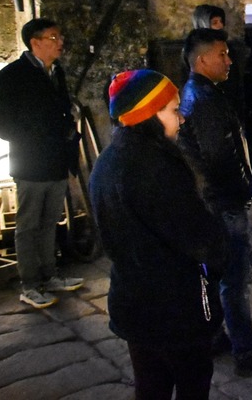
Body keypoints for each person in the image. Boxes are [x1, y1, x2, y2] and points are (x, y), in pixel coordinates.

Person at [89, 70, 226, 399]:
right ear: (147, 114)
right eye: (173, 109)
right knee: (192, 380)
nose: (181, 119)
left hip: (134, 300)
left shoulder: (108, 161)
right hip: (173, 308)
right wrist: (218, 251)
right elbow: (199, 239)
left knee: (151, 383)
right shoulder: (156, 168)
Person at [178, 28, 252, 376]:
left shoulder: (200, 92)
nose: (229, 61)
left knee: (215, 275)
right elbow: (218, 156)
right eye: (222, 55)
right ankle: (246, 350)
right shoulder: (206, 99)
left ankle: (214, 335)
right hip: (223, 202)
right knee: (236, 278)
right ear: (202, 60)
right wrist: (242, 191)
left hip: (212, 199)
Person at [0, 18, 84, 309]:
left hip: (55, 161)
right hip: (31, 162)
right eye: (53, 37)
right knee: (29, 225)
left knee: (49, 222)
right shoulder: (12, 76)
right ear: (35, 42)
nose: (60, 42)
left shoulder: (56, 73)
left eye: (59, 36)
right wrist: (34, 139)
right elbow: (0, 123)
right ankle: (30, 284)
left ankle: (50, 275)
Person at [191, 4, 250, 126]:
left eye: (221, 21)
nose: (220, 26)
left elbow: (234, 82)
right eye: (215, 22)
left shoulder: (229, 49)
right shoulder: (193, 51)